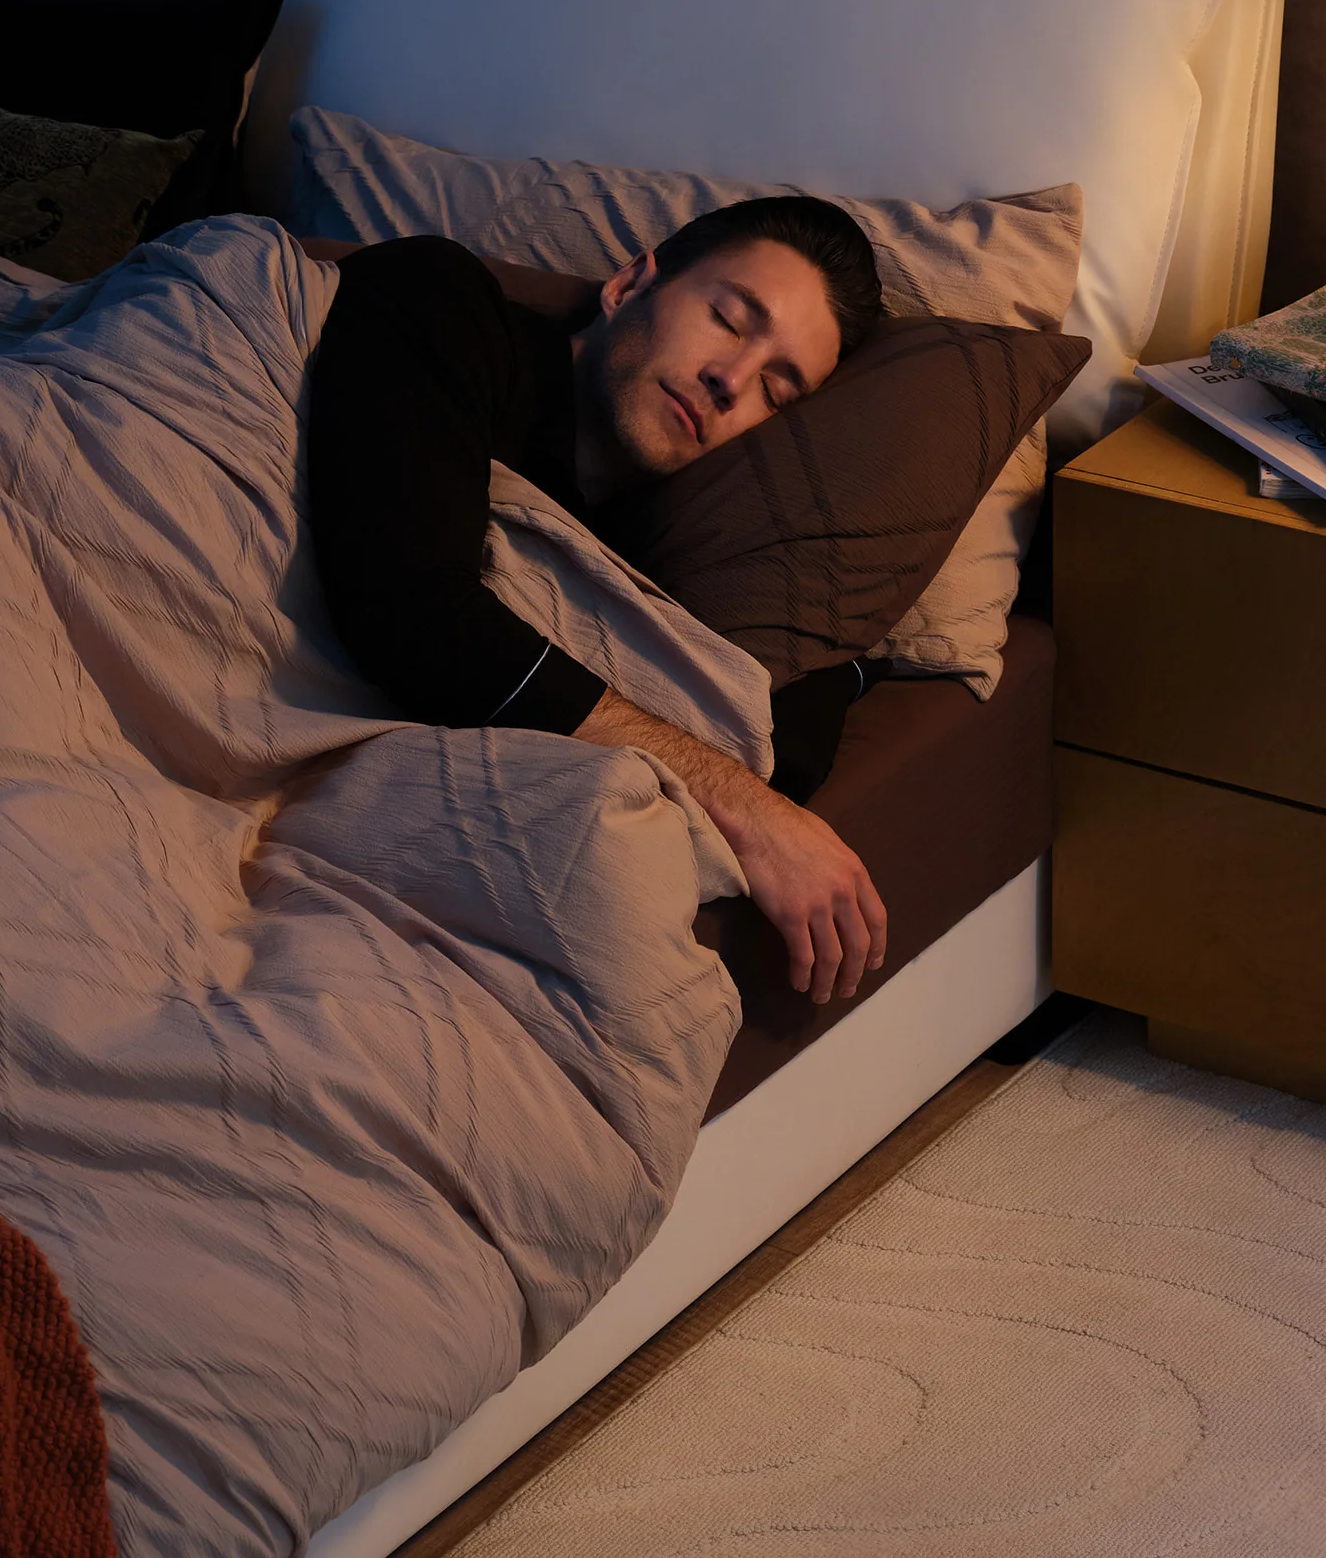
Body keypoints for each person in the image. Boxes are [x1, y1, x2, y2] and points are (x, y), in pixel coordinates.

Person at [303, 197, 891, 1004]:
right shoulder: (444, 302)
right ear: (628, 285)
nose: (730, 381)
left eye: (776, 390)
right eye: (727, 319)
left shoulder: (659, 558)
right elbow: (412, 611)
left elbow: (776, 733)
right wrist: (744, 807)